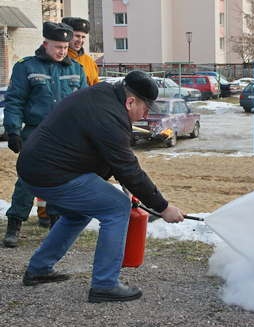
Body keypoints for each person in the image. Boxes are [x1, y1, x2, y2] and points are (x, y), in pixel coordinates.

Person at [17, 70, 185, 303]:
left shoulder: (105, 96)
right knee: (117, 207)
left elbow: (106, 156)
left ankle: (39, 268)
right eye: (146, 109)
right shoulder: (109, 116)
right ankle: (105, 284)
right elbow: (128, 168)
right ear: (130, 101)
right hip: (49, 172)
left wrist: (127, 182)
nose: (146, 115)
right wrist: (164, 207)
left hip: (38, 167)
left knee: (79, 213)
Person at [2, 22, 87, 248]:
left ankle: (56, 225)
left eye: (65, 46)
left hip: (65, 137)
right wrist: (12, 130)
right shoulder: (26, 67)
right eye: (57, 46)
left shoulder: (76, 70)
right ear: (45, 43)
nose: (61, 51)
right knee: (27, 180)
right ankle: (15, 223)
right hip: (36, 133)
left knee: (61, 181)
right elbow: (14, 100)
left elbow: (85, 107)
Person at [61, 17, 99, 86]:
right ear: (67, 36)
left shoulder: (89, 61)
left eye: (83, 37)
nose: (80, 40)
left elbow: (95, 87)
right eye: (77, 36)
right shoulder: (58, 58)